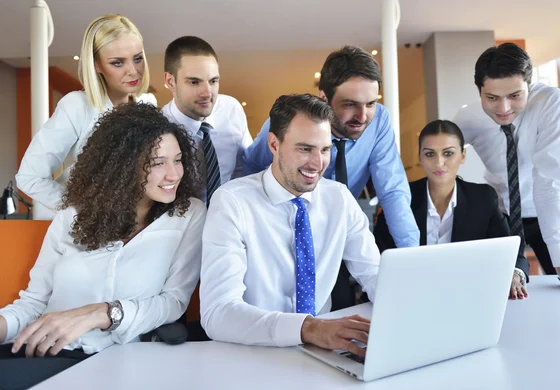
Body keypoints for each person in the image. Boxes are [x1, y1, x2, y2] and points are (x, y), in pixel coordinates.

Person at [0, 103, 206, 389]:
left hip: (108, 360)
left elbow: (173, 302)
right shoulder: (72, 216)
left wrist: (104, 313)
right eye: (158, 163)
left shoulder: (188, 215)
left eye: (178, 159)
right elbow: (33, 304)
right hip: (39, 349)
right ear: (122, 166)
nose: (173, 174)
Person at [201, 94, 378, 357]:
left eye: (325, 149)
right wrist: (308, 328)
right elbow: (218, 312)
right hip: (252, 353)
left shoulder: (339, 198)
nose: (318, 164)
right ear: (274, 144)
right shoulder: (231, 203)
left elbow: (375, 275)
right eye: (305, 149)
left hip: (323, 354)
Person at [242, 45, 418, 309]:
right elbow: (251, 170)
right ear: (324, 97)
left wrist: (412, 258)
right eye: (350, 105)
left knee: (342, 303)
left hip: (340, 228)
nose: (362, 117)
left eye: (371, 103)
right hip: (285, 227)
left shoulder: (379, 121)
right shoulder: (288, 124)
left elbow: (392, 191)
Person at [453, 43, 560, 292]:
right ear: (479, 90)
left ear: (529, 84)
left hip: (553, 211)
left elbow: (549, 182)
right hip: (502, 217)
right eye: (491, 98)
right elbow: (442, 155)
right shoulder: (468, 117)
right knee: (504, 294)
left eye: (514, 96)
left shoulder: (551, 103)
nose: (503, 108)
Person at [16, 14, 157, 216]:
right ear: (96, 65)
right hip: (86, 232)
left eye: (137, 59)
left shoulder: (147, 104)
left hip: (135, 225)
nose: (133, 71)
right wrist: (85, 211)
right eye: (118, 63)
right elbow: (30, 176)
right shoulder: (77, 105)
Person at [374, 120, 529, 299]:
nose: (439, 163)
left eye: (448, 153)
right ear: (420, 157)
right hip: (409, 295)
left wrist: (515, 273)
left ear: (463, 155)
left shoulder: (483, 198)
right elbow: (378, 254)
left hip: (467, 295)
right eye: (430, 154)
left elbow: (511, 251)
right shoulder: (399, 198)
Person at [162, 36, 252, 206]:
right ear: (170, 81)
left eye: (213, 81)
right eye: (194, 82)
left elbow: (245, 167)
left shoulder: (231, 109)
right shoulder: (158, 128)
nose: (207, 93)